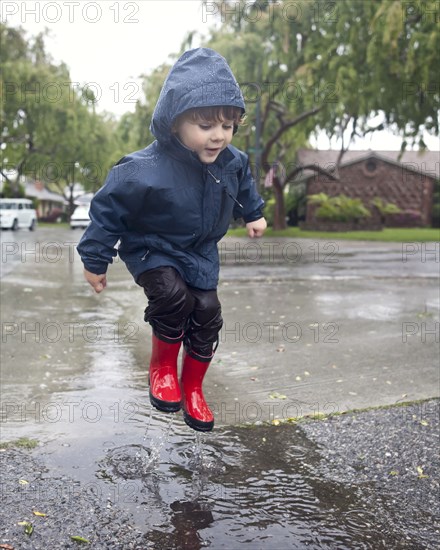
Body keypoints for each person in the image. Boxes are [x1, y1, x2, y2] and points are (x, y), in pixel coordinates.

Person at [77, 48, 266, 432]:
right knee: (172, 296)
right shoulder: (142, 169)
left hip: (199, 251)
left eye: (228, 126)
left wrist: (254, 211)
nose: (219, 136)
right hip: (152, 246)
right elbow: (108, 210)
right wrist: (94, 260)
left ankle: (193, 387)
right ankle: (162, 368)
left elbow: (243, 182)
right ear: (175, 122)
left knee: (208, 312)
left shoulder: (232, 160)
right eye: (206, 125)